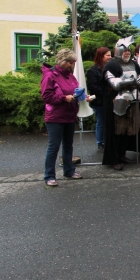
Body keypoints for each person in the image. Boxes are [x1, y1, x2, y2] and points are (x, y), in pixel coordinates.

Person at [102, 44, 140, 170]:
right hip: (117, 101)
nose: (127, 52)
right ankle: (113, 158)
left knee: (128, 130)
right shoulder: (111, 65)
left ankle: (122, 154)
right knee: (116, 132)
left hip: (133, 99)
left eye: (129, 50)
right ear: (118, 51)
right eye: (125, 50)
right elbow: (114, 84)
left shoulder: (134, 64)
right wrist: (133, 81)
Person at [41, 48, 84, 186]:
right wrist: (64, 98)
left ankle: (69, 170)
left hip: (69, 115)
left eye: (73, 63)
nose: (72, 66)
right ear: (62, 61)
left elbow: (75, 91)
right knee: (54, 146)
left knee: (68, 145)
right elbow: (46, 96)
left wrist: (83, 97)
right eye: (70, 63)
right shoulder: (50, 76)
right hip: (55, 116)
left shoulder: (70, 76)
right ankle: (49, 176)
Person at [86, 46, 112, 150]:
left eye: (110, 55)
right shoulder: (93, 71)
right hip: (99, 101)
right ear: (101, 57)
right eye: (108, 55)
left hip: (109, 100)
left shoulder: (110, 69)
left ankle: (108, 140)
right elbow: (92, 86)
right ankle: (100, 142)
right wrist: (106, 92)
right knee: (101, 122)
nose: (110, 57)